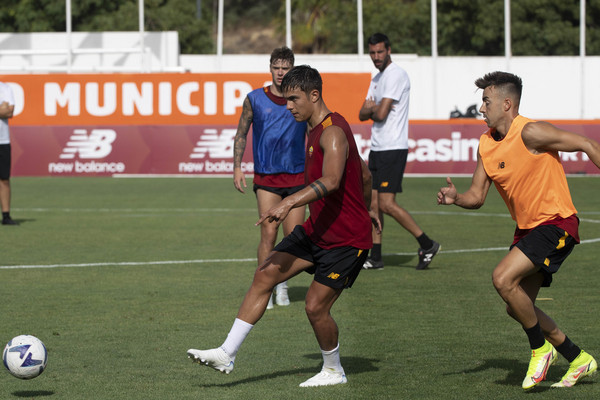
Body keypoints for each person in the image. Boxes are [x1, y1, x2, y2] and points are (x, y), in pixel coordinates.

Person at [188, 65, 380, 387]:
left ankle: (333, 371)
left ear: (314, 95)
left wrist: (290, 202)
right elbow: (364, 174)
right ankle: (227, 353)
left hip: (346, 241)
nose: (288, 105)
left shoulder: (332, 131)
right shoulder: (313, 129)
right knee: (265, 274)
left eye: (293, 99)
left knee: (315, 306)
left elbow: (332, 181)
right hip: (319, 231)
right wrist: (369, 206)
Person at [437, 71, 599, 390]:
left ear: (506, 104)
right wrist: (457, 199)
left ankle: (540, 350)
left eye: (486, 101)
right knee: (517, 306)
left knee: (502, 278)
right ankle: (578, 358)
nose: (481, 108)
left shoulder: (532, 132)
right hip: (527, 231)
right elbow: (477, 196)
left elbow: (586, 143)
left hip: (556, 222)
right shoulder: (486, 144)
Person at [233, 47, 307, 309]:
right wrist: (237, 167)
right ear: (270, 68)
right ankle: (266, 286)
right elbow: (241, 133)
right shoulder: (254, 98)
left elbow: (318, 129)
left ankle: (283, 284)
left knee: (294, 236)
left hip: (298, 176)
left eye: (285, 68)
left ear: (292, 69)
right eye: (276, 67)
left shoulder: (301, 99)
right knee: (268, 232)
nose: (280, 72)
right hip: (267, 178)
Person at [359, 33, 439, 270]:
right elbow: (361, 114)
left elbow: (379, 114)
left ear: (389, 50)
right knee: (373, 206)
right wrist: (372, 108)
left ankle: (427, 243)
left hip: (393, 147)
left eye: (380, 52)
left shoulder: (396, 75)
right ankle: (376, 257)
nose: (376, 57)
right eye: (372, 53)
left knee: (386, 204)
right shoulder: (377, 79)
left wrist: (372, 108)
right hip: (377, 147)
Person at [0, 81, 17, 226]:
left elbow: (9, 112)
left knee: (4, 179)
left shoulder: (5, 88)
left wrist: (5, 110)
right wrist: (1, 109)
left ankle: (6, 216)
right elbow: (4, 111)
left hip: (2, 140)